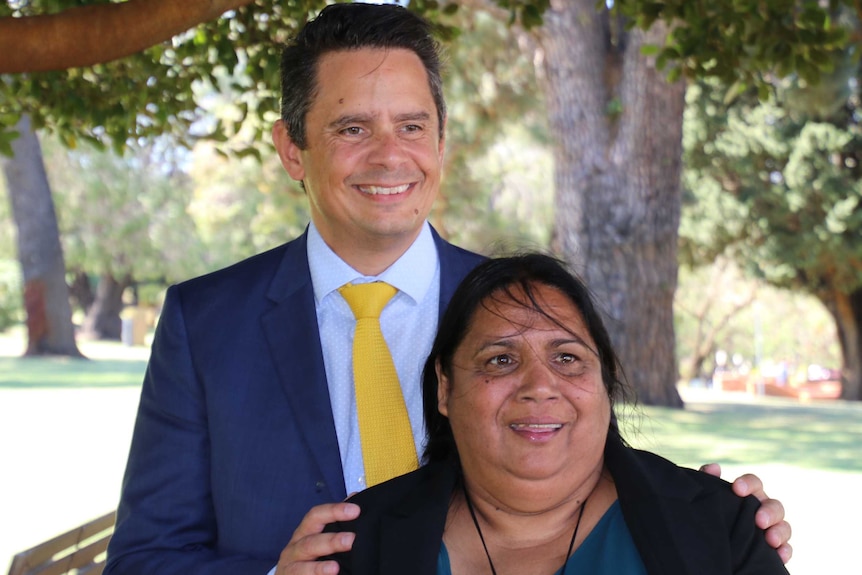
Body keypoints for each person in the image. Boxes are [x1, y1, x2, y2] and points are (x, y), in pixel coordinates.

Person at [104, 4, 791, 575]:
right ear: (292, 149)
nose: (389, 155)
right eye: (351, 128)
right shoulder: (206, 322)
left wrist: (721, 517)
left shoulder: (522, 314)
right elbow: (142, 558)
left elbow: (598, 470)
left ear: (442, 141)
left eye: (411, 126)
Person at [326, 253, 790, 575]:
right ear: (446, 388)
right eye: (500, 360)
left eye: (566, 357)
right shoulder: (355, 542)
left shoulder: (719, 526)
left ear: (603, 384)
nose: (539, 386)